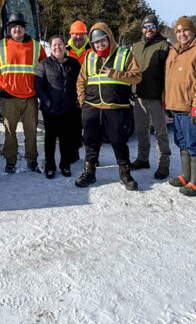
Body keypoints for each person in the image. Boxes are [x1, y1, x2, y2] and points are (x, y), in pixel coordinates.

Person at [75, 23, 142, 191]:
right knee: (91, 142)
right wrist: (83, 100)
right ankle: (89, 173)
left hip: (116, 107)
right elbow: (81, 81)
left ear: (109, 38)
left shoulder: (124, 54)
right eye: (96, 42)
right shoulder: (89, 57)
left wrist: (114, 73)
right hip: (92, 108)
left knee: (119, 141)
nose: (99, 44)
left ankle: (125, 173)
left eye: (102, 40)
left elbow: (137, 77)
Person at [163, 16, 196, 196]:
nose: (182, 34)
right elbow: (169, 79)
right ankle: (186, 176)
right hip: (176, 105)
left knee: (195, 144)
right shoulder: (174, 50)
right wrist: (166, 99)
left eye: (185, 30)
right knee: (182, 142)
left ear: (193, 31)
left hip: (191, 107)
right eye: (178, 31)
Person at [0, 12, 46, 173]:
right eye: (14, 27)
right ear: (9, 29)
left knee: (31, 131)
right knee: (10, 132)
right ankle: (10, 160)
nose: (17, 30)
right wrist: (1, 83)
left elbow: (44, 68)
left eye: (20, 27)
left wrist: (40, 87)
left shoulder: (35, 46)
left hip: (30, 97)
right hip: (9, 97)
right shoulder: (0, 46)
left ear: (24, 29)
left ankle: (31, 159)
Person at [130, 13, 172, 178]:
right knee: (141, 130)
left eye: (152, 26)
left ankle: (163, 165)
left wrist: (166, 95)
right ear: (142, 29)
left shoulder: (164, 46)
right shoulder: (135, 47)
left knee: (160, 132)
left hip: (156, 97)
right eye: (146, 26)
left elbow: (169, 74)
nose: (149, 29)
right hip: (138, 96)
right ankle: (142, 158)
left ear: (157, 28)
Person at [34, 35, 81, 179]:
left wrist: (78, 99)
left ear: (64, 46)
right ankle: (50, 166)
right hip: (51, 110)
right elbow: (38, 85)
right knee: (50, 139)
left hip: (68, 108)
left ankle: (65, 165)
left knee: (66, 139)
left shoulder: (73, 63)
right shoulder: (44, 64)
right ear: (50, 47)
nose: (57, 47)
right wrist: (46, 101)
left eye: (60, 44)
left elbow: (80, 82)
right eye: (54, 45)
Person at [66, 20, 91, 161]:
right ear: (71, 35)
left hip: (89, 93)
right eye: (75, 34)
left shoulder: (92, 50)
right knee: (72, 127)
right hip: (71, 94)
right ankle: (73, 153)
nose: (79, 37)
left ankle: (91, 155)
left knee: (90, 127)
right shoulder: (65, 51)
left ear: (85, 35)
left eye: (81, 34)